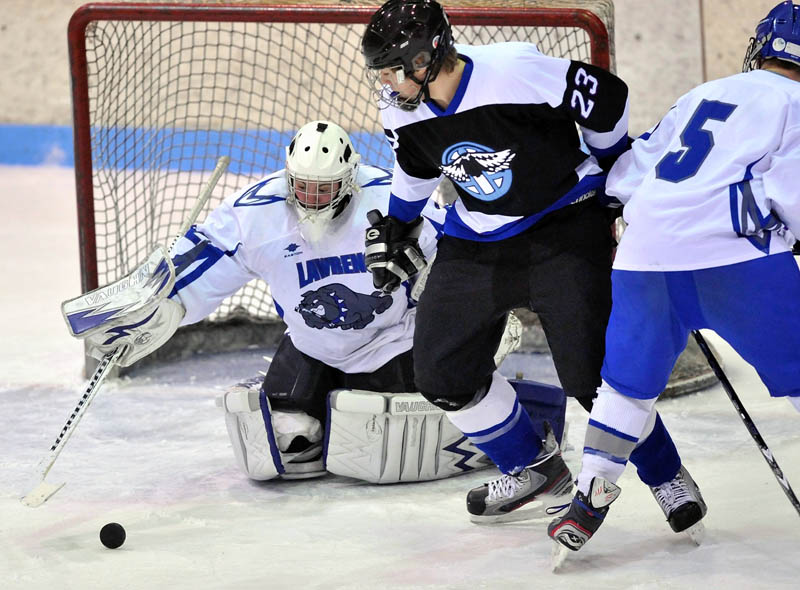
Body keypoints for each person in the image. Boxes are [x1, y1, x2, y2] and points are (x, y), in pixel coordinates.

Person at [360, 0, 706, 527]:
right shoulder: (401, 110)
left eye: (391, 70)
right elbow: (414, 167)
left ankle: (666, 476)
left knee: (591, 378)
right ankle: (533, 466)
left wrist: (616, 168)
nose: (386, 83)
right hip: (475, 240)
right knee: (440, 372)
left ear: (427, 58)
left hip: (563, 225)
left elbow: (607, 100)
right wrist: (398, 224)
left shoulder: (512, 70)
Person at [67, 119, 555, 484]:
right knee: (281, 439)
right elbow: (203, 260)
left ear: (349, 179)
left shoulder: (390, 198)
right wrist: (161, 300)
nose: (313, 198)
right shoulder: (257, 213)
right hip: (312, 345)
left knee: (385, 437)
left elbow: (464, 249)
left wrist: (468, 323)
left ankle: (519, 403)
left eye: (325, 189)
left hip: (393, 341)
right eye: (303, 186)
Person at [548, 0, 800, 553]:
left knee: (625, 387)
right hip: (739, 258)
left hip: (645, 254)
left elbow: (630, 173)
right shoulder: (797, 103)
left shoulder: (703, 93)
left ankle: (590, 494)